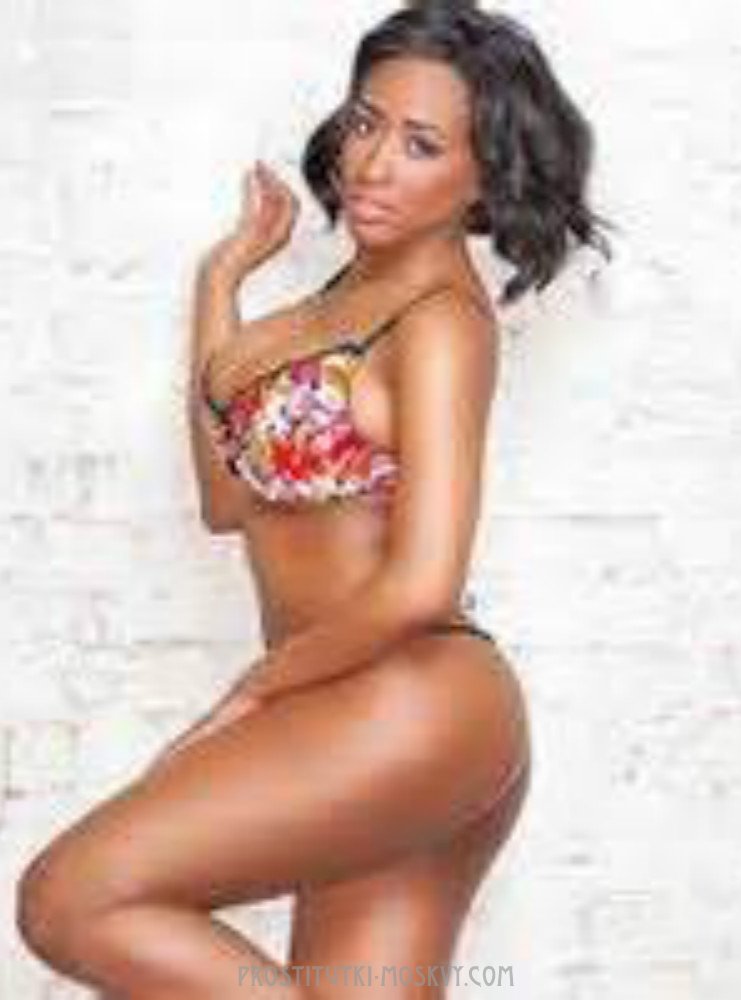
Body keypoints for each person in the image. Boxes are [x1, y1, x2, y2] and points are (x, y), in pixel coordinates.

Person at [16, 2, 613, 997]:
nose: (372, 164)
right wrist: (220, 281)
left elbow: (423, 583)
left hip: (412, 705)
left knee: (71, 899)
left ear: (484, 176)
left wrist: (258, 690)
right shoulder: (332, 306)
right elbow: (226, 499)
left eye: (422, 144)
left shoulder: (439, 323)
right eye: (366, 122)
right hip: (361, 716)